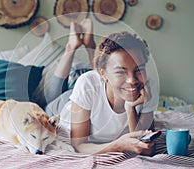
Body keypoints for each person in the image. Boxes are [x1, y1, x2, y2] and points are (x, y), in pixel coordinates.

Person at [45, 19, 157, 156]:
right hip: (62, 106)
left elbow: (145, 149)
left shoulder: (146, 87)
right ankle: (72, 46)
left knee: (107, 70)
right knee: (52, 95)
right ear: (102, 73)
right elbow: (79, 146)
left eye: (139, 69)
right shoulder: (86, 83)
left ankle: (89, 44)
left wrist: (130, 108)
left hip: (99, 87)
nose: (133, 80)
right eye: (121, 72)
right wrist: (118, 145)